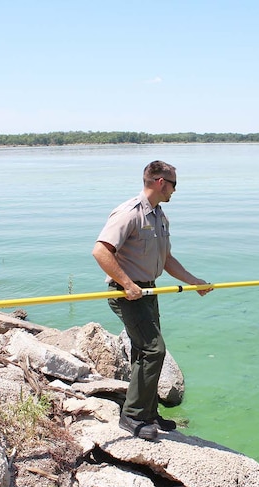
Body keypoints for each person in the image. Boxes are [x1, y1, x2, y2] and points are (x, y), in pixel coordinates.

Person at [92, 160, 212, 440]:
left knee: (142, 351)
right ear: (160, 182)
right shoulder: (129, 213)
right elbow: (100, 251)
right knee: (153, 350)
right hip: (126, 294)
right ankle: (132, 417)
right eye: (173, 185)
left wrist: (193, 282)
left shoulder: (159, 216)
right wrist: (127, 283)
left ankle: (148, 412)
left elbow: (166, 258)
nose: (174, 191)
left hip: (148, 291)